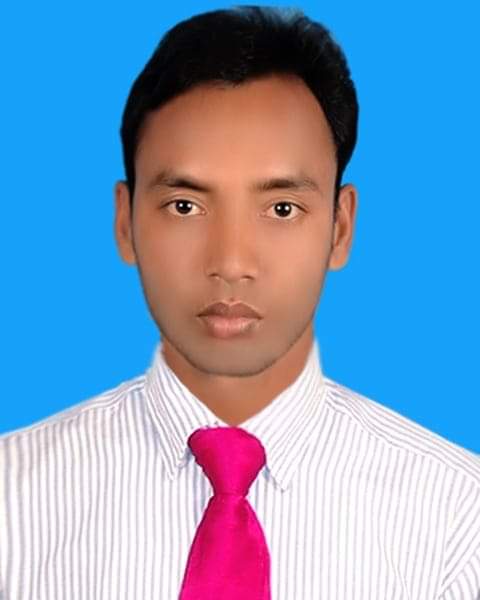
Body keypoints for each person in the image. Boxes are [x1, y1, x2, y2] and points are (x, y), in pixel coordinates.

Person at [1, 5, 479, 599]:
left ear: (340, 228)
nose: (230, 262)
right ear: (125, 222)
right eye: (185, 206)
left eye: (281, 208)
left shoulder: (458, 519)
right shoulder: (11, 499)